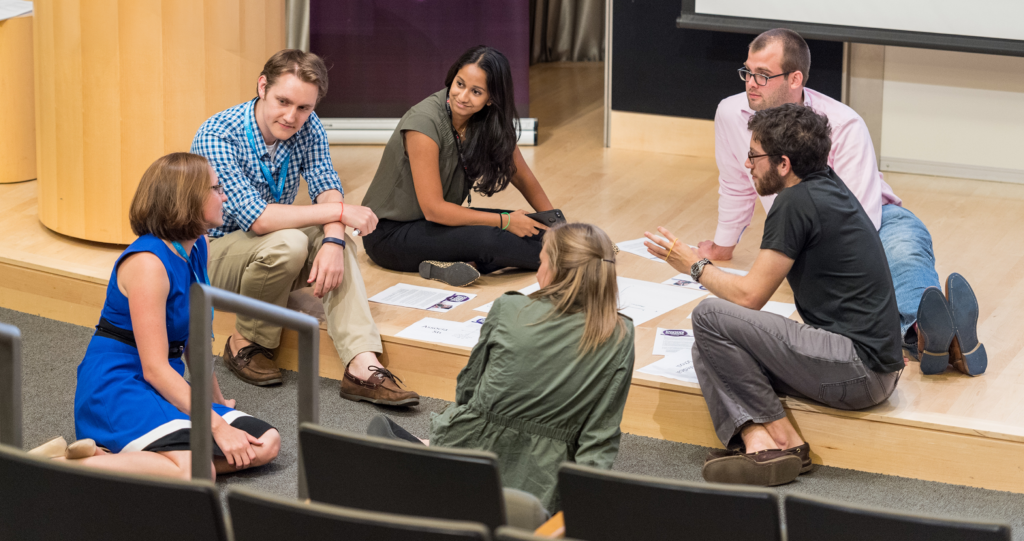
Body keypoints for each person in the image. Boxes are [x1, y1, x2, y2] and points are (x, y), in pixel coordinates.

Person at [697, 28, 985, 375]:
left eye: (763, 75)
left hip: (875, 219)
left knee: (903, 260)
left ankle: (922, 333)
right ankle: (947, 340)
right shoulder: (731, 113)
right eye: (747, 72)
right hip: (807, 231)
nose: (751, 83)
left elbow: (857, 219)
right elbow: (735, 182)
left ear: (795, 79)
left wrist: (800, 261)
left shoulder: (843, 123)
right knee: (856, 300)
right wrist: (724, 245)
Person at [645, 104, 902, 486]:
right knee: (709, 348)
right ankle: (760, 442)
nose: (747, 165)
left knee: (709, 317)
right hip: (871, 367)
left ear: (783, 163)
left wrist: (694, 265)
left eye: (754, 156)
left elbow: (751, 296)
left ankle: (782, 441)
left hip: (858, 371)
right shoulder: (825, 185)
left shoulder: (795, 203)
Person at [191, 49, 420, 406]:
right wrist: (341, 212)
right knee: (290, 243)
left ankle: (362, 363)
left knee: (334, 241)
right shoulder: (218, 134)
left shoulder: (307, 127)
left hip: (268, 249)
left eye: (304, 108)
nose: (292, 116)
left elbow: (325, 183)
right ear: (262, 86)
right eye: (283, 101)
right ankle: (247, 341)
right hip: (212, 258)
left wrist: (333, 239)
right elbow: (259, 218)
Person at [368, 223, 635, 512]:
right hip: (545, 477)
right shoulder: (620, 333)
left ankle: (429, 459)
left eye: (542, 260)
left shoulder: (509, 308)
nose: (538, 270)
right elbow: (601, 432)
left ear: (556, 269)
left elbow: (468, 389)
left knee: (397, 438)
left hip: (477, 450)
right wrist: (582, 500)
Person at [57, 153, 280, 479]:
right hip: (119, 385)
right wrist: (216, 426)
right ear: (187, 200)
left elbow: (195, 339)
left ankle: (125, 460)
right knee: (197, 469)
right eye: (216, 189)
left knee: (266, 443)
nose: (224, 196)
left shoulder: (197, 244)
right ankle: (71, 465)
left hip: (163, 385)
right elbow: (155, 369)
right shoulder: (148, 264)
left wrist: (216, 402)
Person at [361, 45, 557, 287]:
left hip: (435, 224)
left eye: (476, 91)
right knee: (495, 237)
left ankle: (451, 262)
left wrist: (558, 228)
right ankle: (570, 257)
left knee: (530, 226)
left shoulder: (488, 120)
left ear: (491, 98)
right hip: (390, 235)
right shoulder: (422, 123)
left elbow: (522, 176)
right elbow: (434, 209)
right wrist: (505, 221)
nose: (463, 97)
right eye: (459, 84)